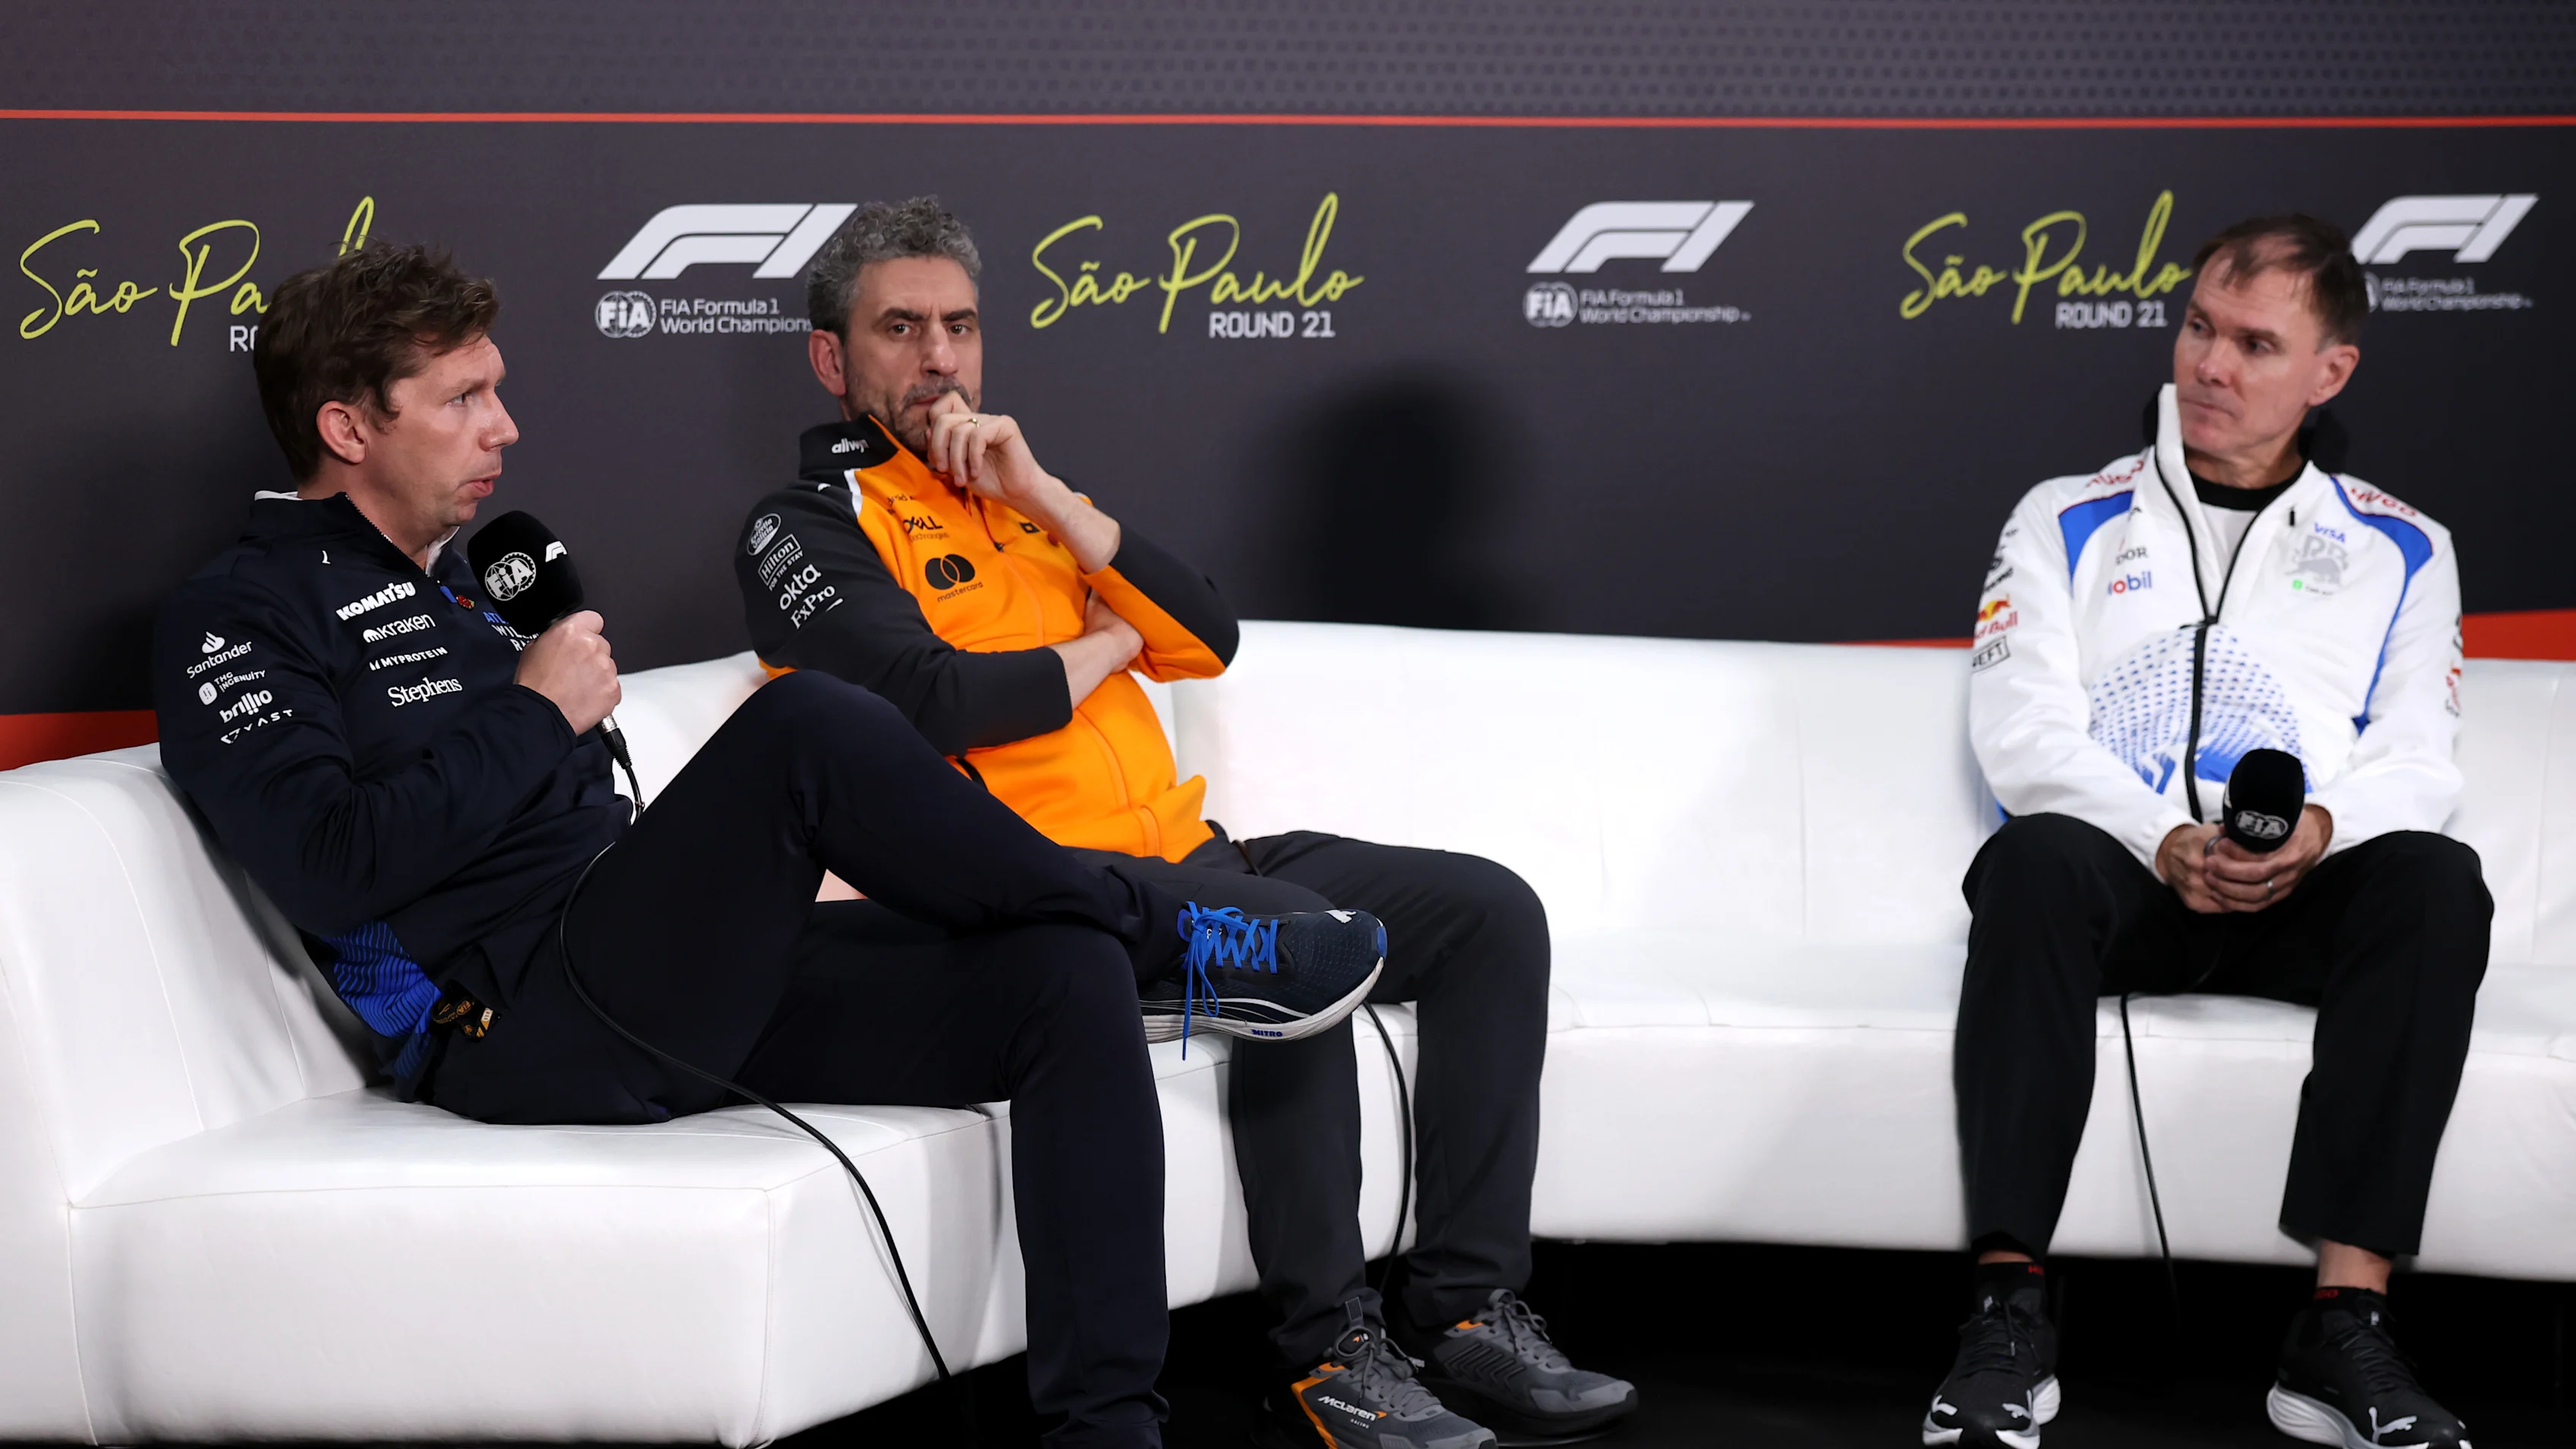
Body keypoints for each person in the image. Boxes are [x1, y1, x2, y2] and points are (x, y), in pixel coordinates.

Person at [151, 243, 1383, 1449]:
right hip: (513, 1028)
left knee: (1060, 976)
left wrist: (538, 710)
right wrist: (537, 712)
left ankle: (1108, 1428)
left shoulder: (469, 584)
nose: (505, 428)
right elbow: (327, 862)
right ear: (349, 430)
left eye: (499, 390)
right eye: (465, 398)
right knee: (804, 722)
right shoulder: (241, 609)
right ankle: (1177, 928)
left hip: (653, 975)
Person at [731, 198, 1639, 1449]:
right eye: (900, 328)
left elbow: (1206, 637)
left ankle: (1472, 1310)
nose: (939, 357)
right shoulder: (807, 527)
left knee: (1490, 913)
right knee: (1292, 937)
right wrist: (1109, 644)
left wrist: (1042, 490)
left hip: (1191, 855)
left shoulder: (1026, 497)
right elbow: (931, 699)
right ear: (834, 359)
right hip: (1053, 901)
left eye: (960, 326)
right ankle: (1328, 1356)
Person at [1930, 213, 2489, 1449]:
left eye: (2254, 343)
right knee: (2024, 861)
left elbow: (2417, 759)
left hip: (2306, 893)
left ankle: (2346, 1327)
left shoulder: (2402, 545)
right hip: (2127, 887)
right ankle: (2007, 1311)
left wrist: (2323, 831)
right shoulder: (2067, 517)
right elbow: (2023, 732)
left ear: (2328, 372)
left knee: (2438, 885)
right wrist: (2158, 839)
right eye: (2197, 328)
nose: (2211, 367)